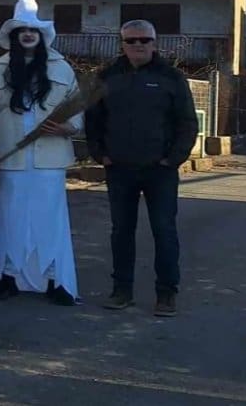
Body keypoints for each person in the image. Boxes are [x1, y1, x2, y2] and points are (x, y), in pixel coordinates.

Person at [85, 20, 198, 318]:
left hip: (159, 171)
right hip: (119, 169)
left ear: (154, 43)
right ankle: (122, 291)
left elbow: (187, 122)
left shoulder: (171, 77)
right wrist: (100, 154)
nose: (138, 45)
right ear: (122, 44)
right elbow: (93, 119)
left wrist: (172, 159)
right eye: (131, 40)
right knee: (121, 231)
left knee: (164, 230)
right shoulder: (107, 77)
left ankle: (166, 294)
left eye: (144, 40)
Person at [0, 0, 80, 305]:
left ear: (41, 34)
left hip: (50, 160)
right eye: (20, 30)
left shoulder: (62, 69)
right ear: (13, 35)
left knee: (49, 219)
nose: (27, 34)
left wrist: (68, 127)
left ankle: (55, 280)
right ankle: (5, 276)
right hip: (11, 160)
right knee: (11, 217)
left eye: (32, 30)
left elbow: (78, 111)